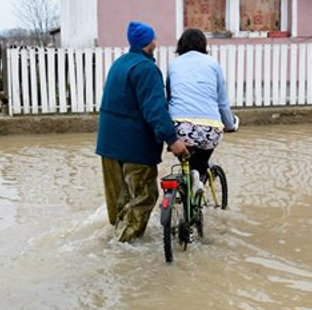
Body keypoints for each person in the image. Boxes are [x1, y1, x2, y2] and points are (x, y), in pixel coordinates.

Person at [96, 21, 189, 243]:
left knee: (121, 202)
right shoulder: (147, 69)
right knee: (145, 197)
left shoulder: (119, 64)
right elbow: (155, 110)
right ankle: (121, 251)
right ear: (151, 42)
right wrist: (173, 139)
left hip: (108, 147)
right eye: (154, 38)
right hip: (134, 148)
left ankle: (117, 240)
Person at [166, 28, 238, 191]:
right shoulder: (213, 64)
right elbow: (222, 102)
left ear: (181, 45)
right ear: (203, 45)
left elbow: (169, 98)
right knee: (200, 162)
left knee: (187, 161)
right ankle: (197, 180)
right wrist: (230, 125)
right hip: (209, 128)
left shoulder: (173, 65)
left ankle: (189, 186)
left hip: (180, 129)